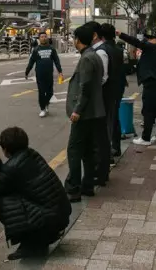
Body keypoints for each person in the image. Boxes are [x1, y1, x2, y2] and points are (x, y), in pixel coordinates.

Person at [0, 127, 72, 260]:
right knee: (9, 194)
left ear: (6, 149)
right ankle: (38, 239)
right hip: (60, 215)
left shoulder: (13, 167)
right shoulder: (31, 154)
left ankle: (33, 243)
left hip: (50, 222)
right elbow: (9, 179)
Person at [64, 23, 106, 201]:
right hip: (93, 112)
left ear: (78, 40)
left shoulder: (87, 58)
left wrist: (77, 110)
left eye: (74, 38)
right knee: (88, 150)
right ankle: (87, 185)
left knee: (74, 150)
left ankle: (73, 188)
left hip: (85, 113)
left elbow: (85, 87)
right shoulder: (94, 55)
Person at [118, 31, 156, 146]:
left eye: (150, 38)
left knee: (148, 111)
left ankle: (146, 138)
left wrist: (121, 34)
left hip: (151, 83)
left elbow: (136, 42)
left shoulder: (151, 48)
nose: (147, 40)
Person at [87, 22, 112, 184]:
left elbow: (102, 78)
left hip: (101, 100)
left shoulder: (100, 52)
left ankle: (101, 172)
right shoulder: (100, 50)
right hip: (102, 100)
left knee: (100, 138)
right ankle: (101, 172)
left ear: (94, 35)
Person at [98, 24, 126, 162]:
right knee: (114, 117)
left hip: (107, 89)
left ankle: (108, 152)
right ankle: (116, 147)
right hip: (118, 87)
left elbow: (103, 76)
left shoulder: (102, 50)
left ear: (101, 35)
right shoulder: (118, 49)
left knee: (107, 121)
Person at [25, 32, 63, 118]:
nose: (44, 38)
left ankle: (46, 103)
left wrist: (60, 71)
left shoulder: (52, 49)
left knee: (50, 92)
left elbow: (56, 60)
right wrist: (27, 72)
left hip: (49, 74)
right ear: (39, 39)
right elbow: (31, 62)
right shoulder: (36, 49)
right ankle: (42, 109)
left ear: (47, 38)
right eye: (42, 37)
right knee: (41, 92)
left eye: (45, 36)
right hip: (40, 74)